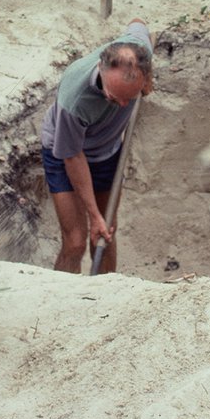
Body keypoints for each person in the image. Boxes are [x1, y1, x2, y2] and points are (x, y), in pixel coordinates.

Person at [41, 18, 154, 274]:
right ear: (101, 70)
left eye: (130, 97)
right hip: (66, 153)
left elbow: (139, 23)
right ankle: (60, 302)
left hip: (107, 152)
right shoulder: (76, 98)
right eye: (115, 98)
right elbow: (72, 157)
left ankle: (103, 305)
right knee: (76, 241)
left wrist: (147, 84)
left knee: (105, 234)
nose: (123, 106)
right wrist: (94, 215)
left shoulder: (140, 49)